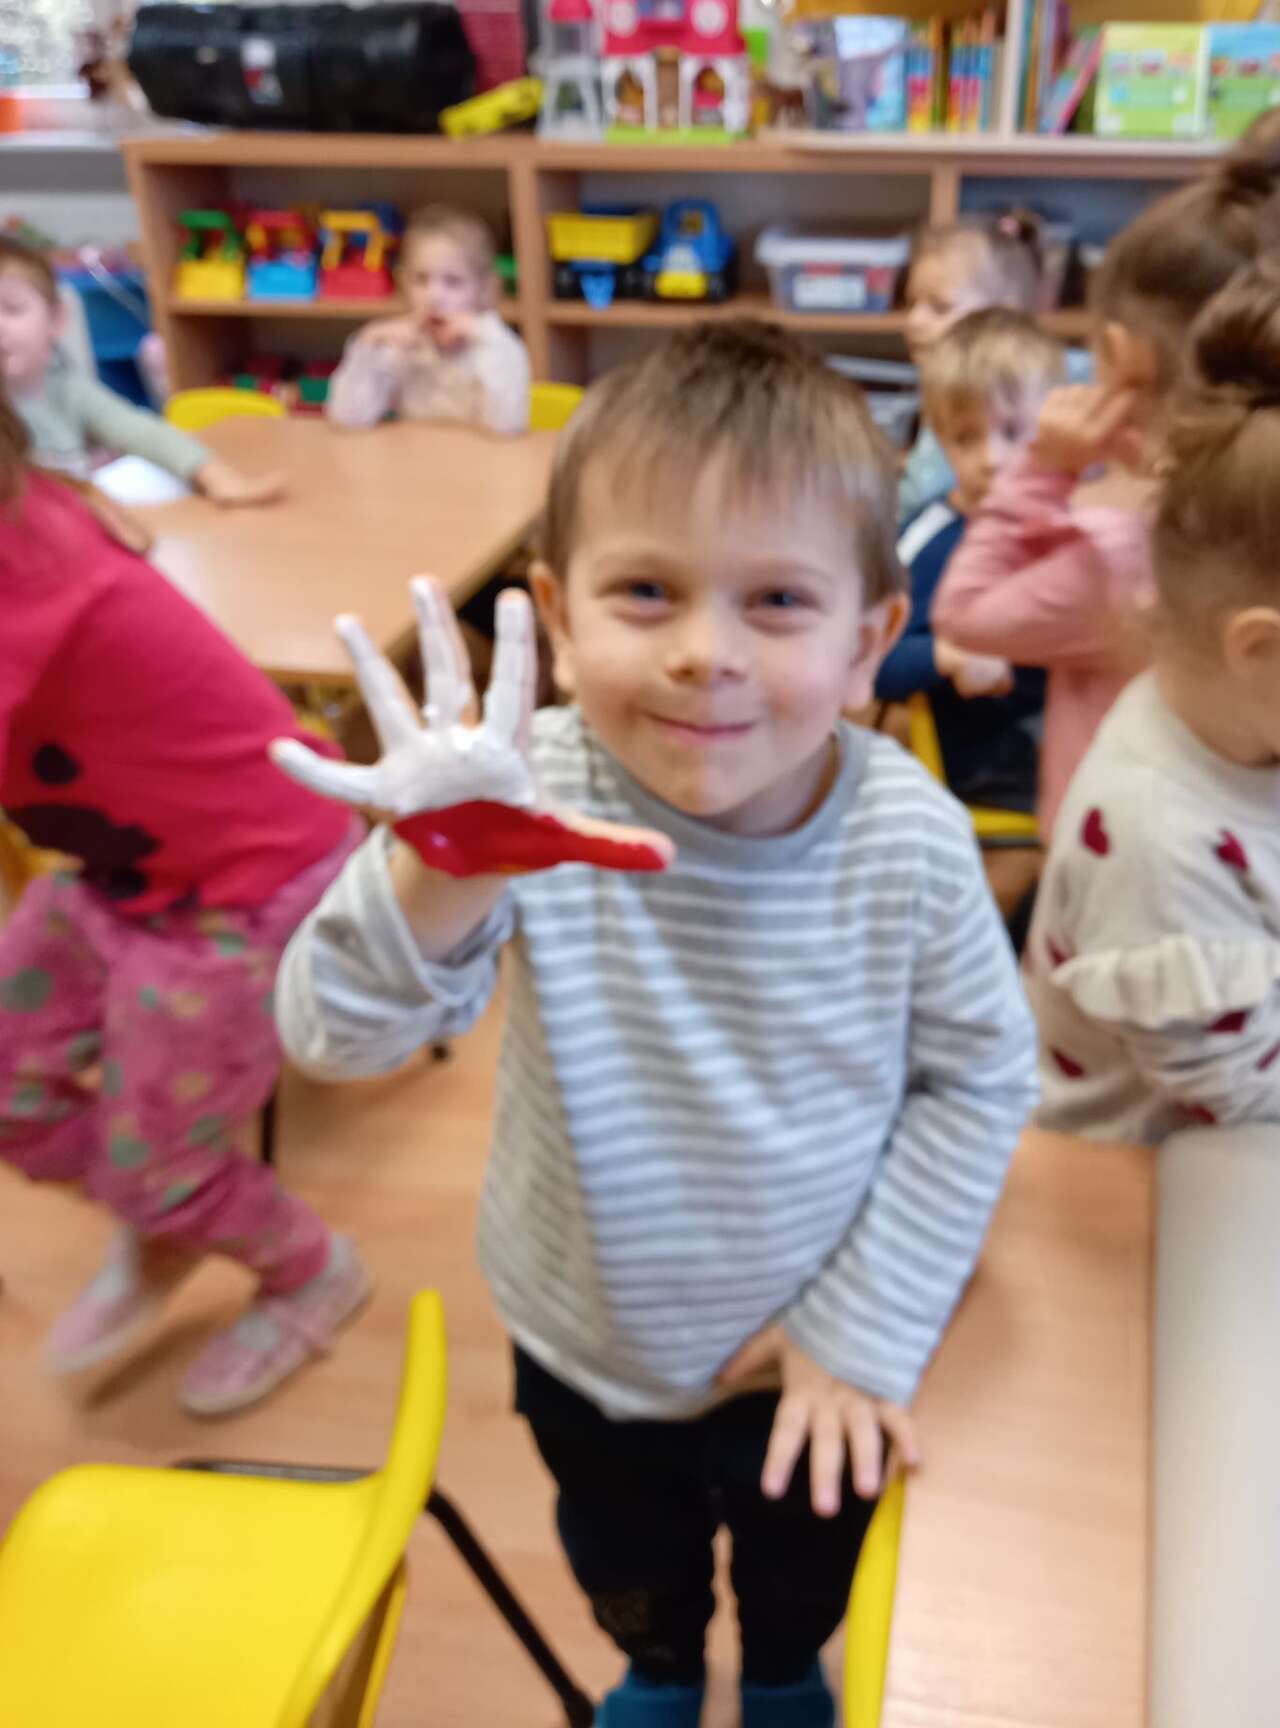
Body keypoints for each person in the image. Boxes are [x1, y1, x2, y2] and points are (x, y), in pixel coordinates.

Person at [275, 321, 1039, 1728]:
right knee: (625, 1561)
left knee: (802, 1577)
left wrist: (859, 1327)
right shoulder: (520, 801)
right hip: (581, 1333)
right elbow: (334, 1041)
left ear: (871, 641)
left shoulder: (913, 845)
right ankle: (665, 1668)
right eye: (645, 591)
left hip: (809, 1347)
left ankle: (784, 1670)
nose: (704, 655)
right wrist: (440, 877)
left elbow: (979, 1084)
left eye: (776, 601)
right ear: (557, 620)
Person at [0, 381, 369, 1414]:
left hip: (254, 881)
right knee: (26, 1093)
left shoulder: (28, 562)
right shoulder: (32, 506)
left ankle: (309, 1269)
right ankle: (169, 1211)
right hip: (132, 876)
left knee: (158, 1160)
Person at [1028, 271, 1280, 1149]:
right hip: (1133, 1170)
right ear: (1260, 647)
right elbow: (1243, 1088)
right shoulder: (1157, 840)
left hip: (1250, 1111)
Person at [932, 107, 1280, 839]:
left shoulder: (1122, 560)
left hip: (1117, 858)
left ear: (1119, 356)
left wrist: (1046, 469)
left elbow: (966, 613)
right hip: (1269, 850)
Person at [875, 310, 1061, 918]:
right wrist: (945, 656)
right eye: (965, 438)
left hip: (1072, 755)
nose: (991, 459)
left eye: (1013, 432)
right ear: (938, 438)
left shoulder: (1070, 527)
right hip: (980, 780)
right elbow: (868, 657)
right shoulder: (928, 538)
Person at [0, 234, 281, 506]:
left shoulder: (66, 388)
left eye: (12, 309)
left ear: (57, 318)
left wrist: (213, 474)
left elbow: (138, 430)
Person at [325, 204, 530, 432]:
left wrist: (482, 334)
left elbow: (508, 425)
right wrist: (369, 342)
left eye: (453, 281)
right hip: (414, 452)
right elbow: (348, 418)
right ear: (403, 281)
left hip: (479, 452)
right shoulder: (400, 344)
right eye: (421, 279)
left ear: (482, 288)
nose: (434, 296)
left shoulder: (496, 342)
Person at [899, 213, 1045, 521]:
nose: (914, 320)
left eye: (939, 307)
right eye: (911, 303)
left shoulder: (1031, 391)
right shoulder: (942, 388)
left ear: (1006, 315)